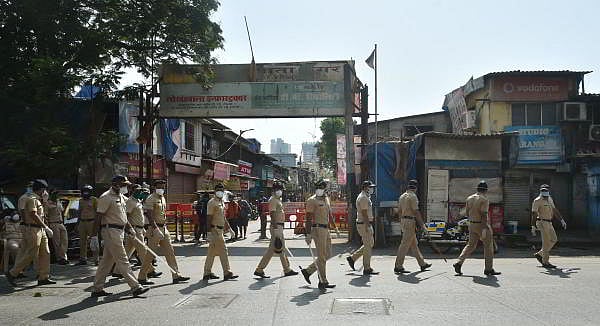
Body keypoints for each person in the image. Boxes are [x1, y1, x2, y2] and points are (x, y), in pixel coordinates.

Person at [90, 175, 149, 297]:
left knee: (106, 261)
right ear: (115, 184)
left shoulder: (121, 197)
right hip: (110, 231)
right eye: (123, 185)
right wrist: (94, 236)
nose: (126, 187)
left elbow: (123, 216)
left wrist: (130, 229)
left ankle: (97, 288)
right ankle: (135, 286)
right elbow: (98, 217)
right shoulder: (106, 197)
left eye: (126, 185)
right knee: (123, 259)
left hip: (120, 231)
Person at [6, 179, 56, 286]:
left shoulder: (38, 199)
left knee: (46, 252)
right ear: (41, 189)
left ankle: (44, 276)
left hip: (40, 229)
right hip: (33, 228)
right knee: (31, 252)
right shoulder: (31, 199)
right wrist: (45, 227)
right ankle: (13, 273)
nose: (45, 193)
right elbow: (33, 214)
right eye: (44, 190)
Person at [138, 180, 189, 285]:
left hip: (164, 229)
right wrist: (155, 229)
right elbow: (149, 215)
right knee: (150, 254)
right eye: (159, 187)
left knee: (170, 252)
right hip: (155, 229)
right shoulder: (151, 198)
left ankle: (176, 275)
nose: (161, 189)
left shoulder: (162, 198)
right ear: (155, 187)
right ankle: (142, 277)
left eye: (163, 187)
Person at [453, 180, 500, 276]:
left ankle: (459, 262)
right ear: (486, 190)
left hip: (471, 224)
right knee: (488, 247)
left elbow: (466, 213)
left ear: (477, 189)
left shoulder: (469, 198)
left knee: (470, 245)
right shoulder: (484, 199)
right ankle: (488, 269)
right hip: (481, 225)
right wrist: (484, 229)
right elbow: (484, 215)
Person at [254, 182, 298, 278]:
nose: (280, 191)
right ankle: (260, 269)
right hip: (276, 226)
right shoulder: (273, 200)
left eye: (281, 189)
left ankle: (286, 269)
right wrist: (276, 228)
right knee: (276, 248)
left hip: (279, 226)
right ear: (274, 190)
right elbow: (272, 214)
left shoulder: (277, 200)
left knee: (278, 248)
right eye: (279, 189)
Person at [301, 179, 335, 291]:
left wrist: (334, 226)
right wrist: (308, 234)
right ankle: (323, 281)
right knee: (321, 257)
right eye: (318, 188)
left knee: (328, 254)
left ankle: (308, 271)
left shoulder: (326, 199)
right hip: (317, 229)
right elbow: (309, 218)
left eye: (322, 188)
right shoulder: (312, 200)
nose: (320, 190)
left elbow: (329, 213)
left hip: (326, 229)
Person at [123, 184, 160, 284]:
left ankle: (117, 270)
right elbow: (126, 217)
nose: (140, 193)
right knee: (143, 251)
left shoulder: (138, 201)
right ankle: (150, 271)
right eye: (137, 191)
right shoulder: (130, 201)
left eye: (140, 191)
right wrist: (130, 229)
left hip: (139, 229)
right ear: (133, 191)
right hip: (134, 229)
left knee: (127, 251)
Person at [203, 183, 238, 281]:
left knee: (211, 252)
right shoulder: (212, 202)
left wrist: (230, 229)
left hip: (220, 230)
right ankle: (227, 272)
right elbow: (208, 218)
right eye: (218, 189)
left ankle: (207, 272)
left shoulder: (221, 202)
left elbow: (223, 217)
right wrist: (208, 232)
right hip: (215, 230)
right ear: (215, 191)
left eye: (221, 190)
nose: (220, 191)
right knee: (223, 251)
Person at [394, 180, 431, 274]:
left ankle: (422, 263)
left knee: (414, 244)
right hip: (410, 221)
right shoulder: (413, 197)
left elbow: (399, 211)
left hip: (404, 220)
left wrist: (401, 223)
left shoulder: (402, 196)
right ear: (416, 188)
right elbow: (416, 212)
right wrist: (422, 225)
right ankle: (398, 266)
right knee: (405, 244)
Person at [347, 180, 379, 275]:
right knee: (368, 245)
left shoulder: (365, 196)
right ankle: (367, 268)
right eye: (370, 187)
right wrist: (368, 225)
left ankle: (353, 258)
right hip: (364, 224)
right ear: (365, 188)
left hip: (364, 223)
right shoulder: (363, 198)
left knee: (369, 244)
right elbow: (364, 213)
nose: (372, 189)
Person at [531, 184, 567, 269]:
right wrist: (533, 225)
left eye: (547, 190)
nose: (545, 192)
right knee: (546, 242)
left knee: (554, 239)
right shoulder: (537, 200)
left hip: (549, 222)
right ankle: (545, 262)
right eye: (544, 190)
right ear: (540, 191)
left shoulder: (550, 199)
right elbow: (534, 214)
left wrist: (562, 220)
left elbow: (555, 210)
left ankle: (540, 254)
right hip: (542, 222)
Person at [76, 184, 98, 266]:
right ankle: (83, 259)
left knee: (94, 241)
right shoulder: (81, 200)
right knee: (82, 242)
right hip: (82, 222)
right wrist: (77, 224)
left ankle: (96, 260)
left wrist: (97, 224)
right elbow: (79, 212)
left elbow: (98, 212)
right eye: (84, 192)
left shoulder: (94, 200)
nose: (85, 193)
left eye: (87, 192)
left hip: (91, 222)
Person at [45, 190, 69, 265]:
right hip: (53, 223)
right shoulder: (47, 203)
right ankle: (60, 258)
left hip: (61, 223)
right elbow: (45, 216)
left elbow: (62, 212)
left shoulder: (59, 202)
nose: (56, 196)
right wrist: (47, 227)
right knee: (57, 242)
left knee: (64, 241)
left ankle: (63, 256)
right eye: (55, 194)